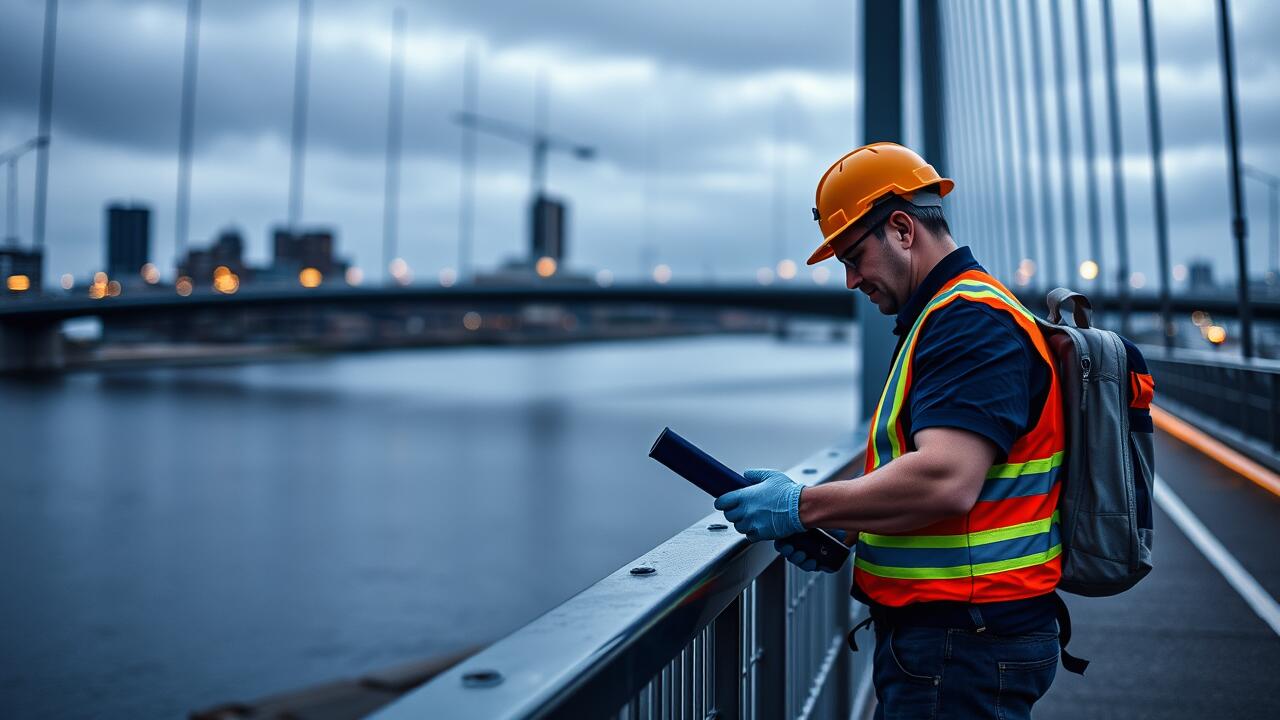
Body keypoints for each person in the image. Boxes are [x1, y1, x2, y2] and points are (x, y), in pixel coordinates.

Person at [714, 142, 1067, 719]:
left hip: (962, 642)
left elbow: (946, 480)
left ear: (903, 229)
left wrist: (803, 505)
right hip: (959, 638)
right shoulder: (945, 315)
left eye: (854, 257)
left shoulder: (969, 320)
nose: (850, 280)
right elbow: (913, 459)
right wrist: (842, 524)